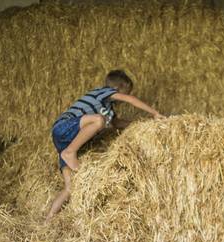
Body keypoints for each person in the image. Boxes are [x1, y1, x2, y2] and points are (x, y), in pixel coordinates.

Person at [46, 70, 163, 222]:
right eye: (127, 92)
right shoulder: (103, 93)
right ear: (120, 88)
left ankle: (47, 220)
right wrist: (155, 113)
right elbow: (129, 99)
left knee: (70, 188)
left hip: (65, 142)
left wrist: (142, 124)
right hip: (63, 128)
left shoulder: (108, 111)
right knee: (98, 121)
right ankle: (70, 152)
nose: (123, 99)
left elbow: (117, 124)